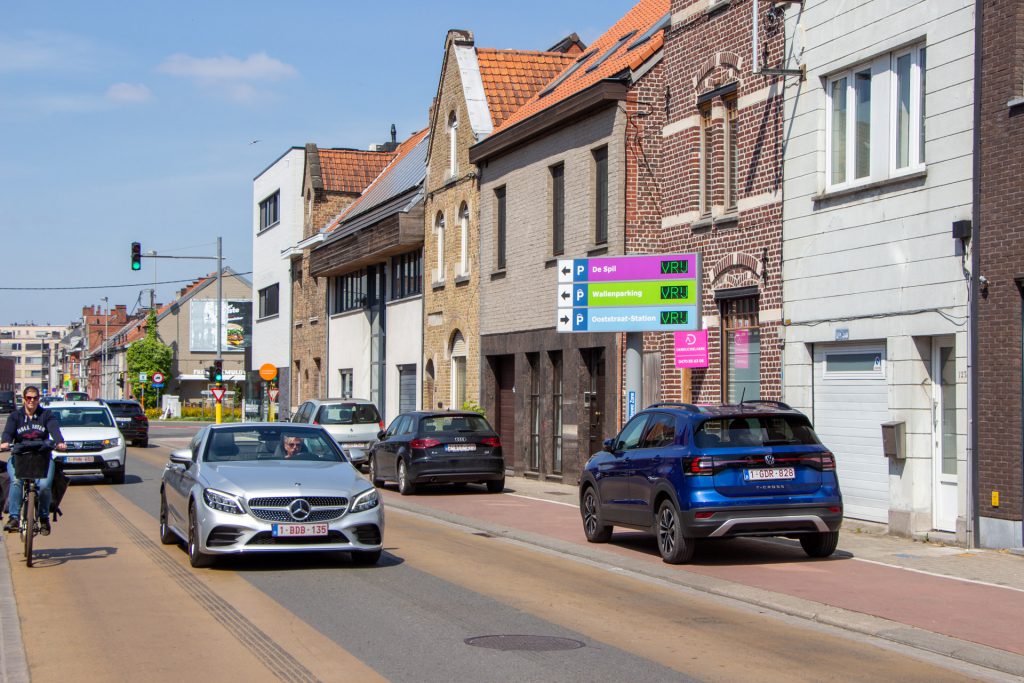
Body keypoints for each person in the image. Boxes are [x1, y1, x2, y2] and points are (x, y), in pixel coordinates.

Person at [1, 386, 67, 535]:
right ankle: (14, 517)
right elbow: (8, 432)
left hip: (42, 458)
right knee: (16, 481)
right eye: (29, 398)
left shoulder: (46, 415)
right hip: (20, 457)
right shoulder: (15, 416)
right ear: (24, 399)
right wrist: (5, 442)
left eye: (35, 398)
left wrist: (59, 442)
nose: (32, 401)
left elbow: (54, 429)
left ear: (39, 399)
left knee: (44, 485)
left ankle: (44, 518)